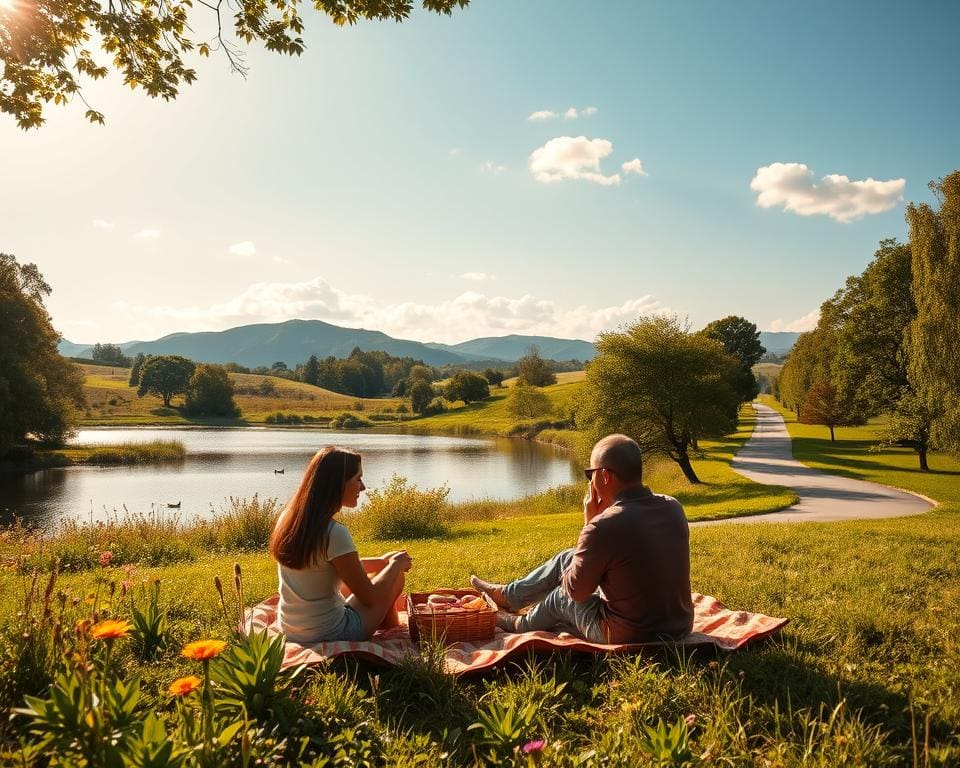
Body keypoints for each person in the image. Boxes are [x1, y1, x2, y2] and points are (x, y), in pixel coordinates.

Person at [471, 434, 693, 643]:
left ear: (604, 476)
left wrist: (590, 524)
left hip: (627, 633)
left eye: (590, 473)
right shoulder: (673, 507)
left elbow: (576, 592)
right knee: (567, 557)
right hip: (679, 625)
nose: (590, 480)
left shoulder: (603, 526)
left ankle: (519, 623)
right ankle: (508, 596)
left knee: (561, 596)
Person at [269, 446, 412, 644]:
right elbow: (370, 598)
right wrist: (394, 566)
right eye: (358, 479)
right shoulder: (334, 532)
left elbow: (334, 567)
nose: (363, 487)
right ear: (337, 484)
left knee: (379, 574)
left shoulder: (289, 519)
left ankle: (386, 625)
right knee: (394, 578)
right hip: (331, 634)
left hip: (291, 630)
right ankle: (391, 629)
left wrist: (382, 562)